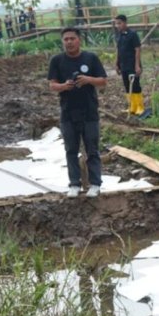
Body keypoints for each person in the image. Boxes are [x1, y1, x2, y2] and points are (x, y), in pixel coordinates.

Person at [48, 27, 108, 198]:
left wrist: (88, 79)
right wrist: (63, 86)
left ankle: (95, 184)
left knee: (92, 150)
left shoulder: (91, 58)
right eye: (66, 39)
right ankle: (74, 184)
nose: (69, 42)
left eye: (72, 38)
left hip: (89, 111)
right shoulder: (57, 60)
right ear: (62, 41)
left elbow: (103, 81)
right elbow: (52, 85)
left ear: (79, 40)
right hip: (68, 112)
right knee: (71, 150)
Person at [113, 14, 145, 116]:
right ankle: (132, 107)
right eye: (116, 24)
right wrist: (116, 63)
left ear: (125, 23)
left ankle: (140, 107)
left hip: (132, 65)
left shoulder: (133, 34)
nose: (117, 26)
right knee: (127, 85)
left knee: (135, 85)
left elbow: (137, 50)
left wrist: (137, 65)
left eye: (119, 23)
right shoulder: (119, 35)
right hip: (123, 65)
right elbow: (118, 50)